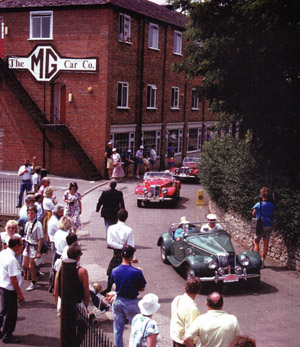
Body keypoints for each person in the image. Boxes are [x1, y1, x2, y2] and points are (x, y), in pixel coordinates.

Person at [110, 245, 147, 347]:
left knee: (118, 329)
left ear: (121, 255)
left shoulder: (114, 271)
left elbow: (113, 284)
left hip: (118, 301)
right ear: (132, 257)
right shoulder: (137, 272)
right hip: (131, 302)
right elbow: (142, 288)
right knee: (136, 329)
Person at [103, 209, 138, 294]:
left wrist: (119, 247)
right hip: (126, 254)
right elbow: (131, 245)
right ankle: (124, 290)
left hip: (116, 253)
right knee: (126, 273)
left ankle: (108, 288)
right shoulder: (129, 230)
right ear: (126, 218)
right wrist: (133, 258)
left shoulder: (111, 228)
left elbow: (109, 242)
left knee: (111, 272)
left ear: (117, 217)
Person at [54, 243, 90, 317]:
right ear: (78, 257)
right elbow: (87, 294)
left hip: (63, 304)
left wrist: (59, 308)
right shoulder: (82, 272)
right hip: (78, 305)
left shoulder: (60, 270)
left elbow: (55, 292)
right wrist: (85, 307)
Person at [0, 237, 24, 344]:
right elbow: (13, 279)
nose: (22, 247)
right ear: (16, 246)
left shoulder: (3, 253)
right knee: (10, 314)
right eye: (21, 245)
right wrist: (20, 295)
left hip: (2, 287)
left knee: (3, 311)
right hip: (9, 289)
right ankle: (7, 335)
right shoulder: (12, 259)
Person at [170, 277, 202, 347]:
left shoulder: (177, 299)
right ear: (198, 291)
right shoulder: (192, 309)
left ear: (185, 288)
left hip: (176, 339)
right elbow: (189, 335)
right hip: (185, 344)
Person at [22, 205, 44, 291]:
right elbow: (27, 235)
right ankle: (36, 272)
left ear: (35, 214)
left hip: (34, 247)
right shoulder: (27, 223)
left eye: (32, 213)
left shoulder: (38, 225)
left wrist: (38, 251)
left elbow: (40, 239)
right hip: (27, 245)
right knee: (24, 265)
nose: (30, 214)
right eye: (28, 213)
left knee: (31, 266)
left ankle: (33, 282)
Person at [252, 187, 275, 268]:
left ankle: (256, 261)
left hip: (260, 226)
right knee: (265, 244)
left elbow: (253, 213)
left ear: (262, 195)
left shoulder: (259, 204)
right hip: (269, 225)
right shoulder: (272, 204)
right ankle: (262, 261)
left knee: (256, 242)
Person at [48, 204, 65, 293]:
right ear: (55, 212)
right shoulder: (54, 222)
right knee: (55, 266)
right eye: (60, 212)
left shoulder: (57, 219)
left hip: (56, 243)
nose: (62, 214)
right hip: (55, 244)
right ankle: (52, 286)